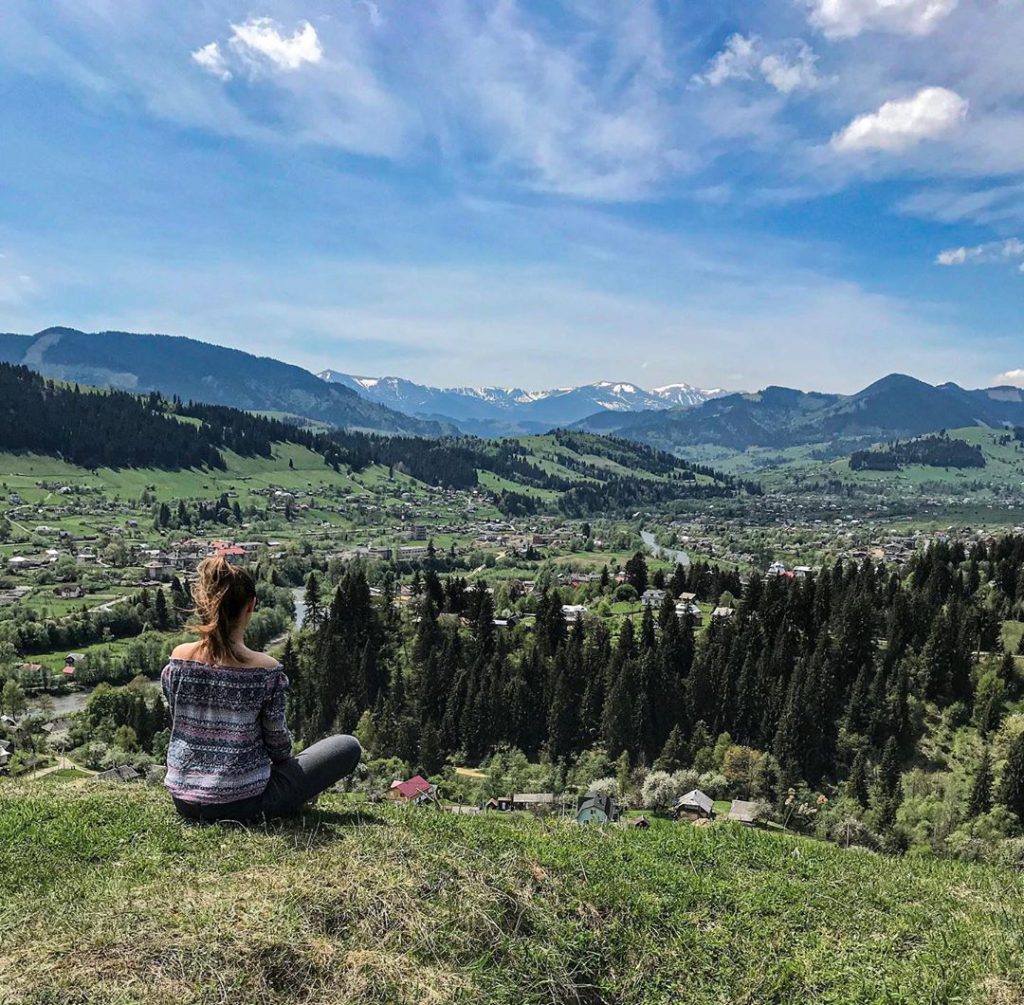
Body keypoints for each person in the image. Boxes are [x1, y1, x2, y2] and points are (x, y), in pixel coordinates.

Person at [160, 556, 360, 823]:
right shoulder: (264, 671)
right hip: (243, 804)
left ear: (205, 604)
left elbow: (180, 724)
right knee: (347, 746)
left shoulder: (179, 660)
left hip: (184, 800)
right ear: (251, 606)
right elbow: (278, 747)